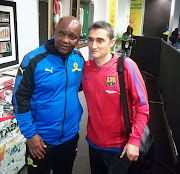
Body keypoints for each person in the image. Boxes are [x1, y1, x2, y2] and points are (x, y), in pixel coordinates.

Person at [12, 16, 84, 174]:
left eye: (72, 37)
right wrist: (30, 135)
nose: (65, 40)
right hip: (40, 140)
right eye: (61, 33)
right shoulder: (33, 60)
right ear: (54, 31)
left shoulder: (79, 59)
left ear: (79, 39)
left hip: (70, 137)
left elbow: (76, 88)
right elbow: (19, 99)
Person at [82, 21, 151, 174]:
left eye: (100, 40)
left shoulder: (126, 66)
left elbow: (143, 107)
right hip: (93, 144)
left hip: (121, 146)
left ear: (112, 43)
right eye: (91, 39)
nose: (93, 45)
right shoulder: (85, 68)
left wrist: (134, 141)